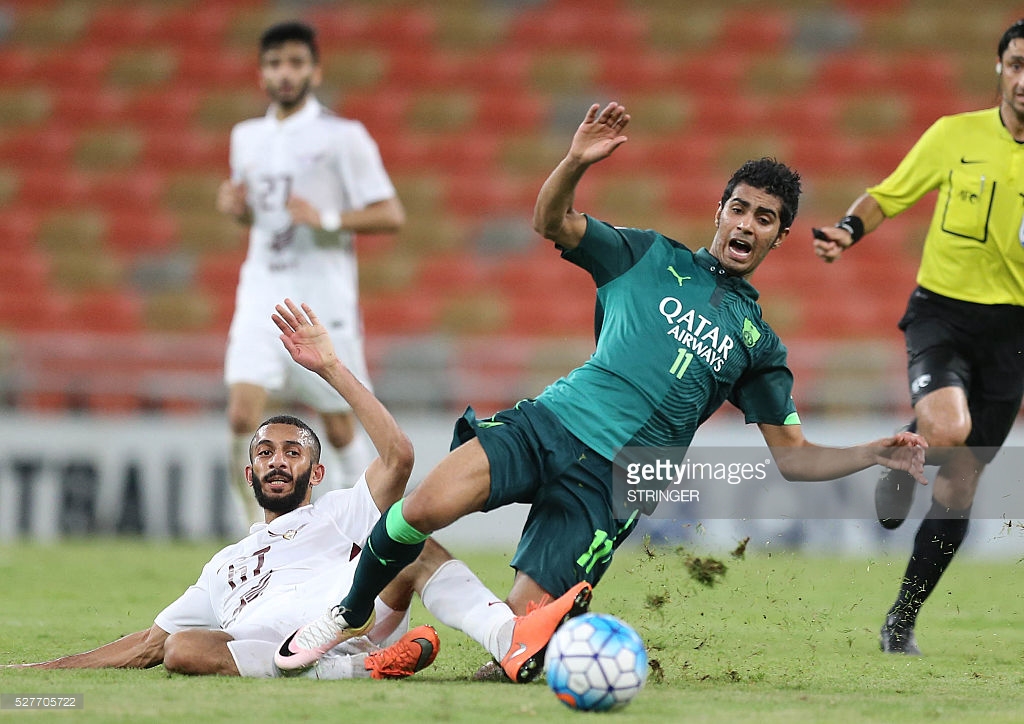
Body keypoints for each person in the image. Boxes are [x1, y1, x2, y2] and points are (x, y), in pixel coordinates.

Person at [273, 102, 929, 684]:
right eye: (739, 208)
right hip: (553, 423)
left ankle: (478, 649)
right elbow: (550, 220)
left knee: (516, 647)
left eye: (765, 218)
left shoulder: (760, 343)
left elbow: (794, 457)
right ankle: (349, 612)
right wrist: (576, 162)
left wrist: (873, 452)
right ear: (720, 211)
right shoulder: (647, 255)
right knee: (420, 509)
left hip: (619, 481)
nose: (747, 224)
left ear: (779, 236)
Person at [7, 301, 436, 679]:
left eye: (292, 452)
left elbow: (398, 457)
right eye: (265, 453)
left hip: (338, 628)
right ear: (249, 475)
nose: (277, 461)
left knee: (408, 541)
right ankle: (363, 669)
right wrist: (50, 669)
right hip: (263, 649)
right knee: (182, 648)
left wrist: (330, 368)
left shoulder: (340, 513)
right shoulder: (223, 566)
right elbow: (149, 644)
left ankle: (473, 633)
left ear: (317, 473)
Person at [811, 19, 1024, 656]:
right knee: (950, 430)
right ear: (1000, 68)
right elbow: (888, 195)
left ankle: (901, 620)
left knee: (960, 482)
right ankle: (911, 444)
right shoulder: (955, 135)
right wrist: (848, 230)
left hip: (1012, 333)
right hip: (943, 314)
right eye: (1018, 64)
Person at [216, 21, 405, 523]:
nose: (285, 73)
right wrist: (237, 210)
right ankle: (254, 531)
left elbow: (390, 213)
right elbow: (258, 214)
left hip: (323, 295)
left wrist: (326, 219)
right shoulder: (246, 137)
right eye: (275, 63)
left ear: (315, 71)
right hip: (261, 287)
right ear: (261, 74)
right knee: (240, 413)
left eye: (296, 63)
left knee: (340, 427)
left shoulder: (343, 137)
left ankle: (353, 527)